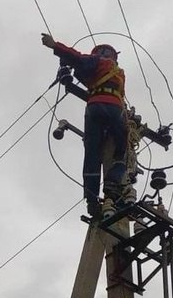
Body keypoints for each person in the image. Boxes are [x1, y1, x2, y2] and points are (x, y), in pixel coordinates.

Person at [41, 34, 128, 218]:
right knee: (121, 150)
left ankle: (91, 199)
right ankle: (113, 182)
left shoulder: (97, 61)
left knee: (92, 153)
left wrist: (55, 46)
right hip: (115, 109)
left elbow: (78, 58)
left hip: (95, 106)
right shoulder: (120, 73)